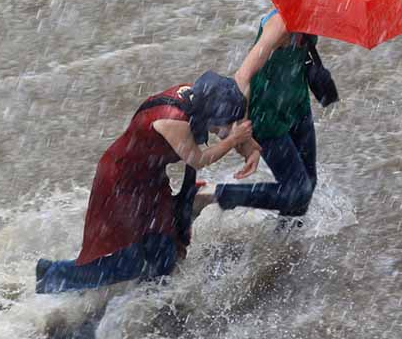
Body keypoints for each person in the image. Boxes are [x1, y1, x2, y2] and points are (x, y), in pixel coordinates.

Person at [36, 71, 254, 293]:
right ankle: (53, 275)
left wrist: (248, 146)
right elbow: (197, 159)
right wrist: (234, 140)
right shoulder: (172, 119)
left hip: (149, 177)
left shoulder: (201, 96)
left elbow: (232, 118)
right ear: (210, 114)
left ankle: (145, 301)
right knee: (129, 261)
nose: (225, 129)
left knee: (164, 252)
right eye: (223, 123)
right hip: (120, 182)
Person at [199, 8, 317, 224]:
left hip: (297, 105)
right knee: (297, 192)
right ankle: (215, 194)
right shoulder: (280, 25)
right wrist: (244, 136)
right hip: (266, 115)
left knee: (307, 186)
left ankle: (285, 242)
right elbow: (242, 76)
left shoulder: (314, 17)